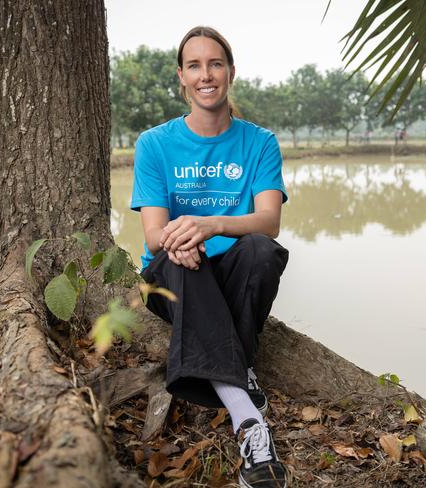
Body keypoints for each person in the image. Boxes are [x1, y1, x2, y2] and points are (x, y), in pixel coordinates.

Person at [130, 26, 289, 488]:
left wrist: (213, 224)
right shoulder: (155, 144)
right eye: (195, 65)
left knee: (262, 252)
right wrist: (185, 239)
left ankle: (230, 368)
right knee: (183, 260)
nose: (206, 75)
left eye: (215, 63)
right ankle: (248, 421)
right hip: (170, 274)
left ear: (231, 72)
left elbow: (269, 221)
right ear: (181, 77)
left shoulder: (260, 142)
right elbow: (155, 235)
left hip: (234, 271)